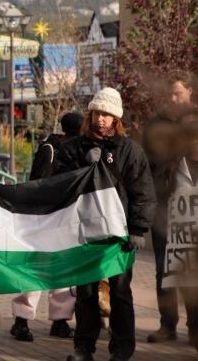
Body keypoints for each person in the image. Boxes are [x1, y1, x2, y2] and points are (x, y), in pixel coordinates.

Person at [53, 87, 156, 361]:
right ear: (91, 115)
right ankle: (83, 348)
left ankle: (122, 349)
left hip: (118, 236)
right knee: (85, 294)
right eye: (98, 113)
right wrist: (84, 168)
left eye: (107, 115)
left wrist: (138, 229)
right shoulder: (72, 149)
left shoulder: (130, 151)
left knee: (120, 292)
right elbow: (58, 185)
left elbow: (142, 192)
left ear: (115, 119)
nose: (101, 119)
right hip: (84, 234)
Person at [9, 111, 83, 342]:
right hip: (46, 217)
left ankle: (58, 320)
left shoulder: (69, 148)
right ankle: (22, 320)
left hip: (66, 217)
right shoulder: (51, 149)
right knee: (40, 270)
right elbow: (38, 183)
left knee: (63, 271)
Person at [146, 71, 195, 343]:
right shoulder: (157, 123)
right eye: (169, 94)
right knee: (164, 268)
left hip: (192, 206)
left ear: (189, 91)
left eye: (177, 92)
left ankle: (195, 327)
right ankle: (168, 325)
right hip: (164, 206)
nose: (172, 98)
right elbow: (147, 163)